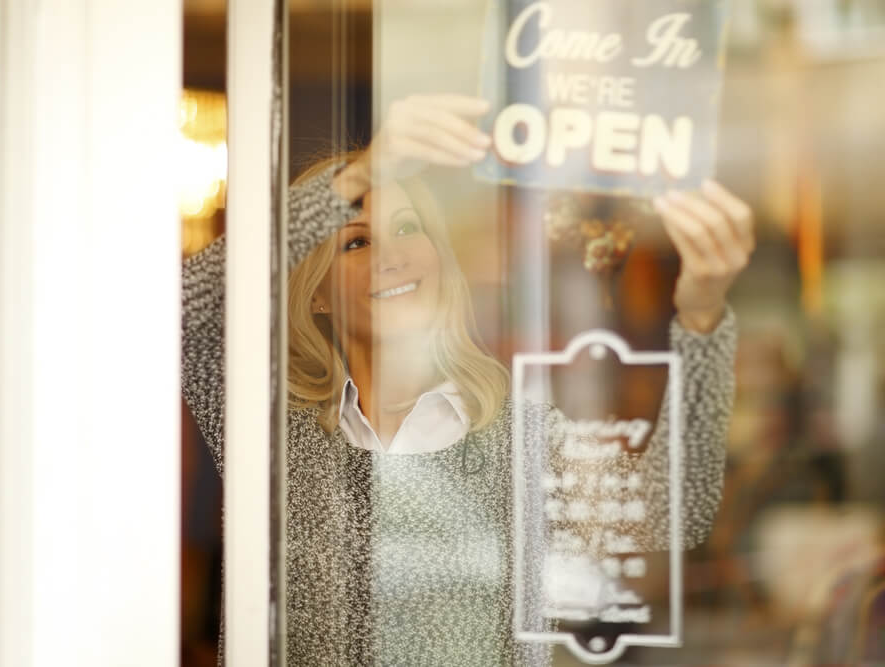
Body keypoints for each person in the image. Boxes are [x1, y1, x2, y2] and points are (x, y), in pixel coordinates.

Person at [181, 94, 754, 665]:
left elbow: (674, 510)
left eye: (408, 229)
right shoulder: (271, 434)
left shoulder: (517, 437)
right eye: (356, 240)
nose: (394, 257)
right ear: (317, 295)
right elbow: (183, 305)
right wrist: (358, 175)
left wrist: (701, 319)